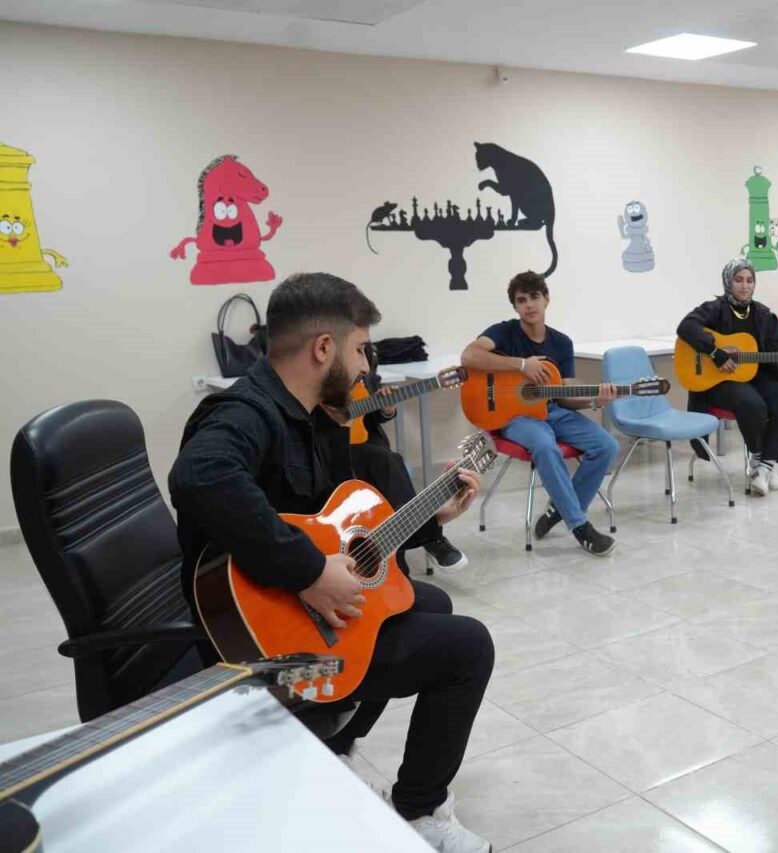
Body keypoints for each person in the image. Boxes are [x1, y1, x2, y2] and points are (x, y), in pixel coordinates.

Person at [169, 272, 494, 853]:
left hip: (290, 612)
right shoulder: (247, 413)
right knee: (468, 646)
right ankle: (419, 811)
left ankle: (331, 748)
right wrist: (310, 573)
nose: (367, 366)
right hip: (262, 648)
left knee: (429, 601)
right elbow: (200, 476)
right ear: (324, 348)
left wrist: (434, 515)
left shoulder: (313, 416)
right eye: (361, 349)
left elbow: (341, 528)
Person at [461, 270, 619, 556]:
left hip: (555, 411)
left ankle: (559, 508)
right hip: (516, 417)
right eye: (521, 300)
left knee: (607, 445)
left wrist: (595, 400)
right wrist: (522, 365)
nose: (529, 305)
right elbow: (469, 356)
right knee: (546, 447)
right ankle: (580, 526)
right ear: (515, 307)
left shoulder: (561, 343)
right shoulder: (504, 331)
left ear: (546, 299)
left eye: (534, 297)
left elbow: (565, 395)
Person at [676, 258, 778, 497]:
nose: (745, 286)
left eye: (749, 280)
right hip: (721, 380)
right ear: (728, 281)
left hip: (758, 375)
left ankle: (765, 466)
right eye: (738, 280)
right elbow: (686, 327)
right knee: (752, 403)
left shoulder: (763, 314)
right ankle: (758, 459)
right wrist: (716, 353)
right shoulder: (714, 308)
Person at [351, 349, 467, 573]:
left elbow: (367, 414)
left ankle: (405, 558)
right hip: (328, 449)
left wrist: (386, 409)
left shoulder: (365, 352)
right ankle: (429, 536)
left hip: (366, 446)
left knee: (391, 465)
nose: (364, 364)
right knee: (388, 461)